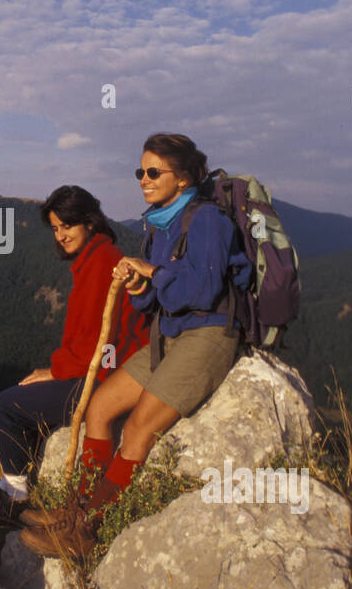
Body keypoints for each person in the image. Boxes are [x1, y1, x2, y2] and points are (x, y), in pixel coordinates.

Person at [19, 134, 252, 559]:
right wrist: (139, 284)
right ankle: (77, 509)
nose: (143, 179)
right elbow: (155, 298)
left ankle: (86, 531)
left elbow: (203, 289)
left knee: (141, 426)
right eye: (139, 172)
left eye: (153, 172)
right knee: (100, 408)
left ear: (182, 179)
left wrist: (153, 271)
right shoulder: (160, 224)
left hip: (209, 333)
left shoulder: (208, 221)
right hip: (169, 333)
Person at [0, 185, 149, 531]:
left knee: (7, 405)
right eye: (55, 228)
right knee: (27, 400)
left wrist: (55, 371)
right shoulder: (97, 258)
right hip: (105, 371)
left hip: (103, 378)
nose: (61, 235)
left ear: (89, 222)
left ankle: (15, 497)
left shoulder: (101, 264)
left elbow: (102, 345)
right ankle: (20, 487)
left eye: (67, 225)